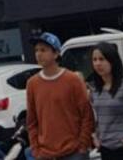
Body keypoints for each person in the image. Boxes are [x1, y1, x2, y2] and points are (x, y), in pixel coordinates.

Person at [25, 32, 93, 160]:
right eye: (36, 50)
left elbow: (86, 115)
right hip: (45, 153)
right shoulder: (32, 83)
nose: (38, 54)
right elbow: (32, 121)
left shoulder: (73, 80)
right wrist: (35, 149)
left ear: (56, 54)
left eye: (43, 50)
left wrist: (83, 145)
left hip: (73, 152)